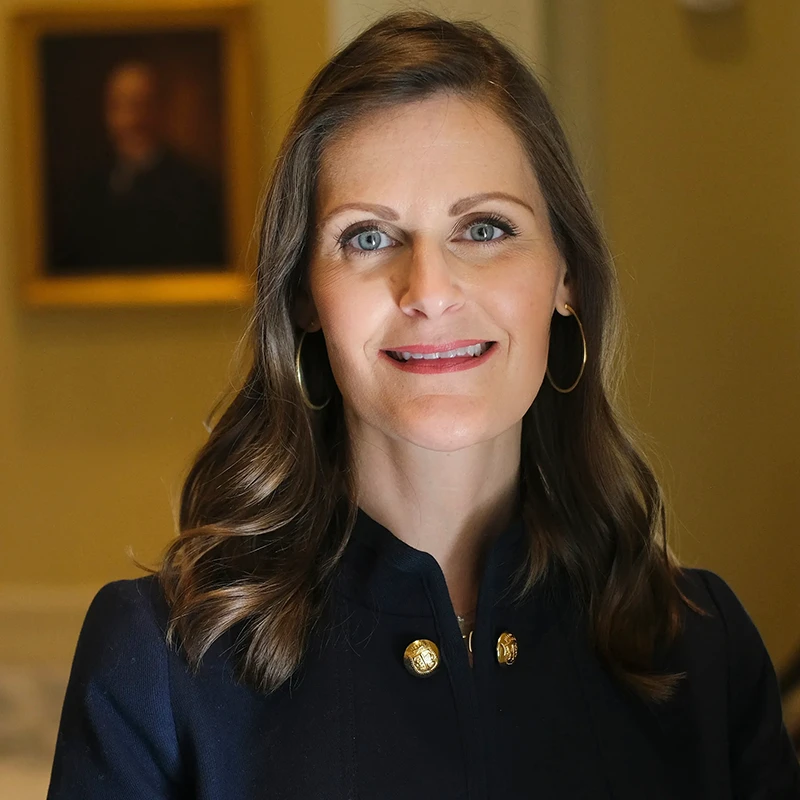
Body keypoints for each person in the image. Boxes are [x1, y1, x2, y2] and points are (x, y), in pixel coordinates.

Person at [46, 11, 800, 798]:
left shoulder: (703, 654)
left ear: (565, 276)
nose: (429, 292)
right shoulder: (160, 664)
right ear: (306, 294)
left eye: (484, 227)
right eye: (368, 238)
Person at [50, 60, 225, 273]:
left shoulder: (194, 186)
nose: (130, 120)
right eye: (119, 106)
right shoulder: (85, 187)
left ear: (159, 110)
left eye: (140, 105)